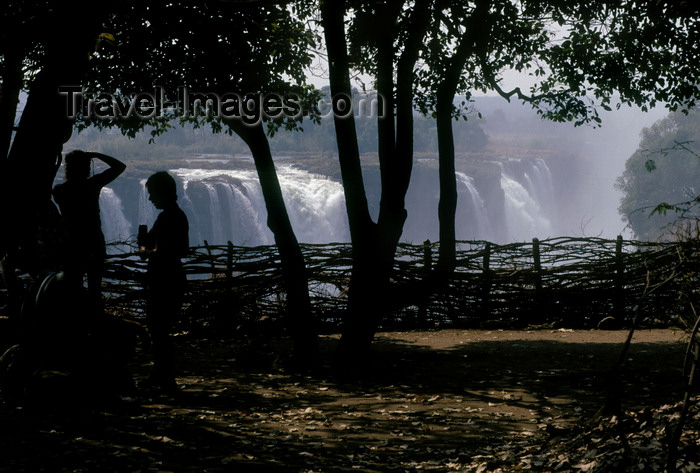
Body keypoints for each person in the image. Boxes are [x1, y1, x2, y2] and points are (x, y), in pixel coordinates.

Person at [52, 150, 126, 307]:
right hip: (94, 241)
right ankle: (96, 319)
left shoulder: (59, 190)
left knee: (73, 287)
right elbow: (120, 166)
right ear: (86, 167)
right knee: (95, 288)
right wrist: (97, 155)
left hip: (72, 242)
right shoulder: (93, 184)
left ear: (67, 168)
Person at [138, 171, 189, 393]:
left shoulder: (168, 217)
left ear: (162, 192)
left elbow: (158, 250)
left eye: (152, 194)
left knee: (159, 331)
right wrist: (149, 247)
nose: (150, 199)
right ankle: (162, 374)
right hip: (173, 277)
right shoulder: (176, 215)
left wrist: (147, 251)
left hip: (164, 280)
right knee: (160, 330)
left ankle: (166, 378)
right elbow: (178, 248)